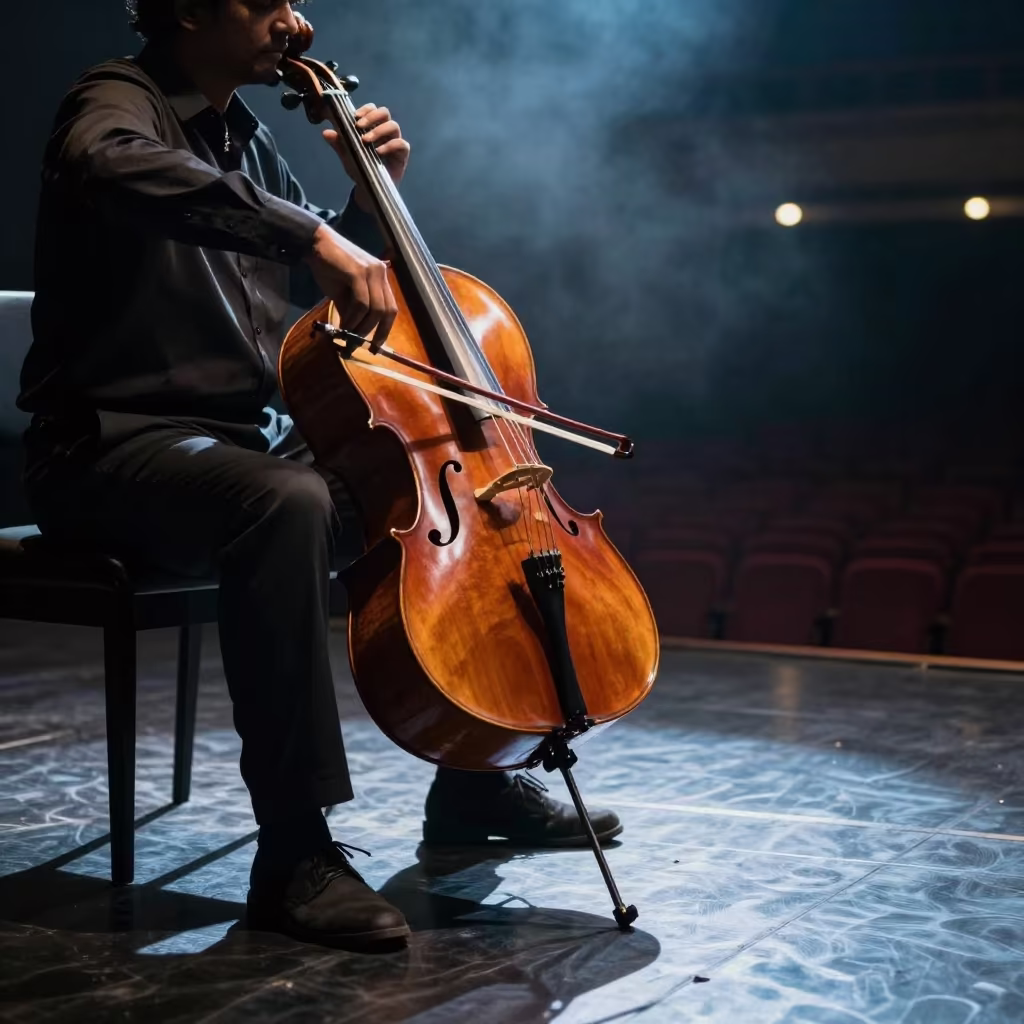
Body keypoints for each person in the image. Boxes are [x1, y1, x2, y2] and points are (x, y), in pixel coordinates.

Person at [17, 0, 622, 951]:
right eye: (265, 2)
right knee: (286, 503)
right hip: (108, 450)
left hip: (230, 447)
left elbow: (326, 287)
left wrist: (361, 201)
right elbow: (112, 163)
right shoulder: (111, 101)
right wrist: (311, 233)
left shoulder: (249, 140)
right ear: (185, 9)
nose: (292, 20)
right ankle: (294, 851)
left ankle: (471, 774)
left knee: (398, 473)